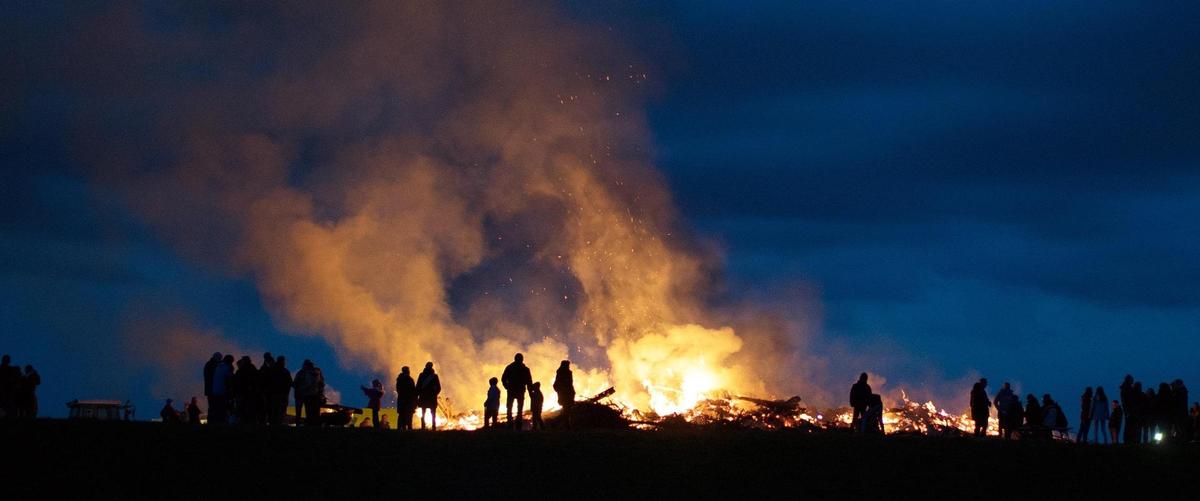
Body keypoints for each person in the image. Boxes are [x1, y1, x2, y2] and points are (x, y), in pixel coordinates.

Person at [501, 353, 532, 429]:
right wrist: (530, 392)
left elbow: (503, 379)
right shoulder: (525, 369)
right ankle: (518, 425)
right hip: (520, 391)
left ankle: (510, 425)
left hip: (512, 390)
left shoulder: (509, 367)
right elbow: (529, 382)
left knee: (509, 407)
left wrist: (507, 387)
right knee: (519, 408)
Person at [293, 359, 325, 426]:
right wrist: (321, 393)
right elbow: (322, 383)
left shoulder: (301, 373)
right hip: (315, 395)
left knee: (306, 411)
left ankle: (301, 424)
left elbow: (295, 383)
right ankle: (315, 424)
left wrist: (300, 389)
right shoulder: (318, 372)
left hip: (304, 395)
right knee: (314, 411)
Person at [209, 355, 235, 425]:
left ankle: (218, 422)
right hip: (222, 391)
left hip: (215, 391)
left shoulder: (218, 367)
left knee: (218, 408)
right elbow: (229, 380)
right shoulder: (226, 368)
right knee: (223, 408)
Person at [416, 362, 441, 430]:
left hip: (424, 397)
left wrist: (418, 394)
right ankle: (433, 427)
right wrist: (434, 393)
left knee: (424, 413)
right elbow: (438, 388)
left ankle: (423, 427)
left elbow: (418, 387)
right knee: (433, 413)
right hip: (431, 398)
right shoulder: (434, 376)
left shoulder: (421, 375)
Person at [268, 355, 292, 426]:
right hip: (282, 394)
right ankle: (278, 424)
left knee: (274, 410)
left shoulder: (272, 370)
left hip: (273, 393)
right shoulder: (285, 371)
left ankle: (273, 424)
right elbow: (289, 382)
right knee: (281, 410)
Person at [553, 360, 575, 428]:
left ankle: (565, 424)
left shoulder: (563, 372)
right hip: (566, 395)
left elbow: (556, 385)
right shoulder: (562, 373)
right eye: (568, 365)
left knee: (567, 410)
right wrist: (561, 392)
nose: (568, 366)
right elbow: (556, 385)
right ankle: (565, 425)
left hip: (567, 394)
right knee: (566, 410)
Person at [0, 355, 21, 419]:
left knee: (6, 405)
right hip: (6, 390)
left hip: (6, 390)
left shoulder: (9, 369)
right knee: (7, 404)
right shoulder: (10, 369)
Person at [203, 353, 221, 423]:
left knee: (211, 406)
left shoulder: (208, 364)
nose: (220, 360)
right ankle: (213, 421)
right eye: (220, 358)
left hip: (209, 389)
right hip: (213, 389)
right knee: (214, 406)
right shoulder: (213, 365)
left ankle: (211, 421)